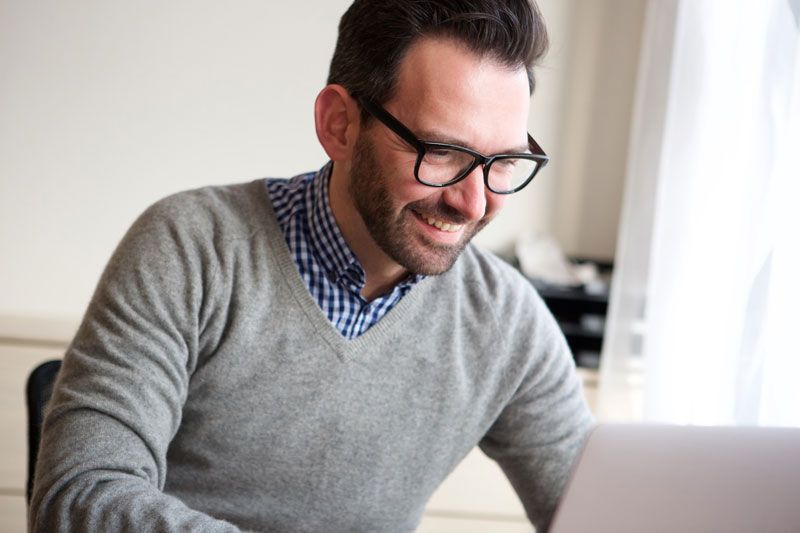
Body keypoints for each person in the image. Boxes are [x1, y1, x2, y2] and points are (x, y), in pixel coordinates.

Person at [30, 1, 593, 531]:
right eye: (440, 152)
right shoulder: (190, 248)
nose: (473, 204)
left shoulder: (508, 322)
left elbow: (601, 517)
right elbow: (79, 497)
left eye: (503, 162)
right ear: (339, 125)